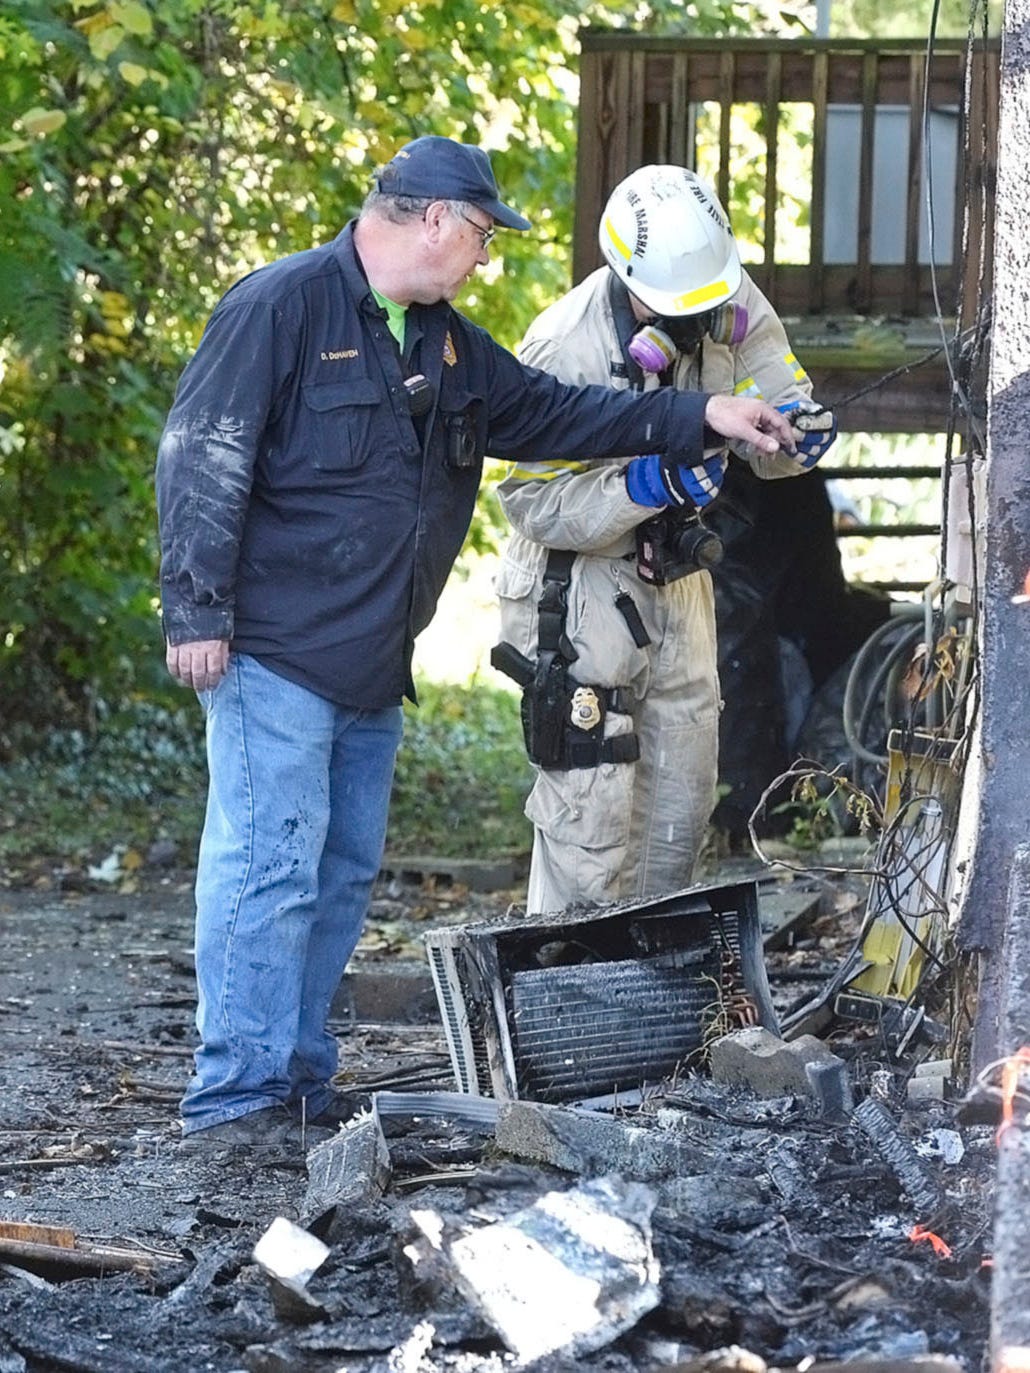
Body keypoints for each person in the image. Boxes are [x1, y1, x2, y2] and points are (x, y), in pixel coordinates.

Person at [155, 137, 795, 1150]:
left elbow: (555, 412)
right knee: (264, 869)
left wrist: (698, 411)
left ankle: (297, 1074)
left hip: (370, 662)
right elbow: (203, 450)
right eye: (484, 238)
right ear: (437, 220)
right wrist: (194, 609)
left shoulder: (443, 344)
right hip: (274, 649)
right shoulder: (282, 305)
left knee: (338, 870)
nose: (486, 258)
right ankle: (234, 1097)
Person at [493, 164, 838, 916]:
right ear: (625, 276)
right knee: (591, 808)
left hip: (678, 573)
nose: (694, 320)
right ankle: (570, 992)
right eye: (672, 309)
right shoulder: (563, 349)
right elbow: (528, 497)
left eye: (706, 304)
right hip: (579, 583)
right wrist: (641, 487)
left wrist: (794, 434)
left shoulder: (726, 294)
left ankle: (648, 1000)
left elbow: (776, 391)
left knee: (680, 799)